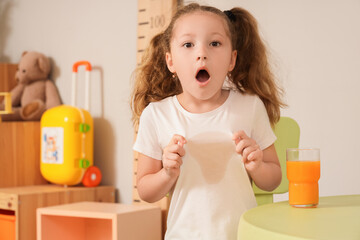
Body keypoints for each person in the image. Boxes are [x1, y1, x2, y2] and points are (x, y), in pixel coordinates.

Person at [131, 3, 285, 239]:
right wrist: (167, 174)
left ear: (232, 60)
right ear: (170, 61)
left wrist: (257, 166)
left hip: (242, 235)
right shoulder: (157, 115)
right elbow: (145, 190)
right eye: (188, 44)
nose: (201, 53)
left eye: (214, 43)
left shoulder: (249, 106)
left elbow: (273, 179)